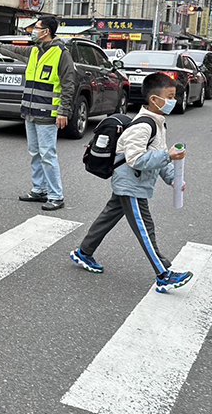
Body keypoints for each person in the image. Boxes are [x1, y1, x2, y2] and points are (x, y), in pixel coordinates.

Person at [70, 72, 193, 293]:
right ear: (155, 99)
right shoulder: (143, 126)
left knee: (107, 218)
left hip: (131, 183)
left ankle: (83, 252)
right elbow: (136, 160)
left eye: (174, 96)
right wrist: (169, 156)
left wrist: (173, 179)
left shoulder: (157, 122)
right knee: (146, 229)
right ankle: (163, 274)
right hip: (131, 185)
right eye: (170, 96)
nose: (173, 101)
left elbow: (157, 155)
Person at [0, 16, 75, 211]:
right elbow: (13, 51)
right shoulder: (34, 50)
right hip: (30, 111)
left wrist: (63, 111)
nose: (33, 30)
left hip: (48, 112)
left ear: (46, 31)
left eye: (36, 27)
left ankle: (56, 195)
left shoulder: (61, 53)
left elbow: (68, 84)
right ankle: (39, 190)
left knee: (47, 154)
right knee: (35, 152)